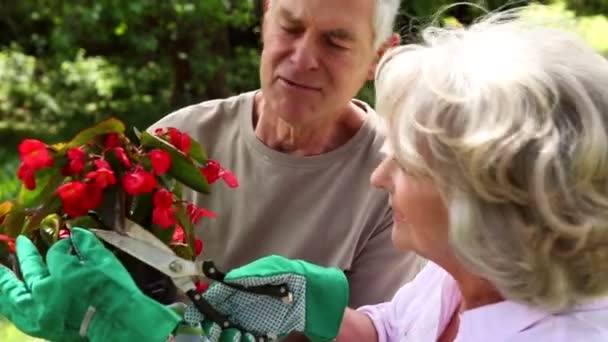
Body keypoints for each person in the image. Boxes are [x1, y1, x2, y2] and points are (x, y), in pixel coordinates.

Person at [4, 4, 608, 342]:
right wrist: (317, 311)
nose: (380, 174)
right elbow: (395, 331)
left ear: (486, 198)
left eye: (407, 161)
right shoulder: (463, 277)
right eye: (289, 27)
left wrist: (156, 337)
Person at [146, 0, 422, 309]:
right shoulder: (178, 141)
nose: (303, 59)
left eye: (335, 42)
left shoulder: (399, 184)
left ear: (379, 56)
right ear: (266, 18)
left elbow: (375, 330)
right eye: (290, 28)